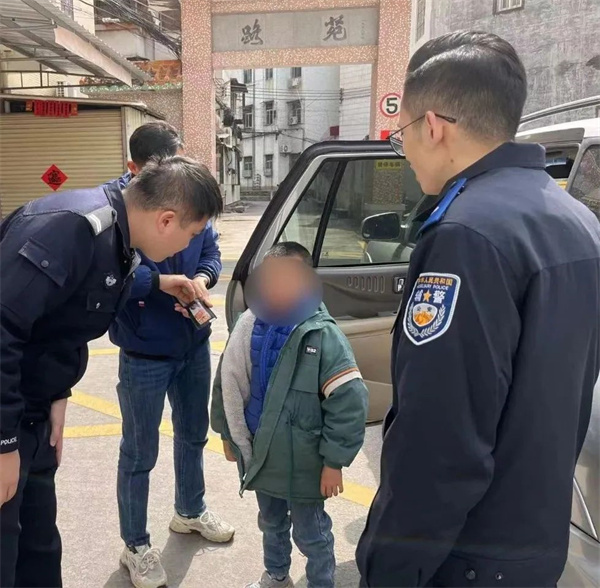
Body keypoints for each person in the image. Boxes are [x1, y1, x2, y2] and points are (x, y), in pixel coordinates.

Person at [356, 31, 600, 587]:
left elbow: (441, 438)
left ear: (433, 126)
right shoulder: (577, 219)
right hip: (536, 542)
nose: (405, 152)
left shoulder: (465, 234)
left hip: (467, 555)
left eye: (401, 135)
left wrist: (388, 566)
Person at [0, 155, 223, 588]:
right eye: (192, 234)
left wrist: (58, 396)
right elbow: (4, 328)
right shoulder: (71, 229)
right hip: (9, 419)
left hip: (34, 412)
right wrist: (4, 442)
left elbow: (59, 323)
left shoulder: (119, 241)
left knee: (38, 547)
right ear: (166, 220)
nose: (188, 247)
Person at [107, 122, 234, 588]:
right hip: (144, 351)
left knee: (193, 434)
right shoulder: (118, 212)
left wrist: (202, 279)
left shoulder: (191, 196)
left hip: (192, 343)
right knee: (139, 452)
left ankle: (190, 510)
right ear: (135, 169)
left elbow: (212, 251)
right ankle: (136, 545)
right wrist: (162, 283)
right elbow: (112, 275)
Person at [211, 242, 368, 588]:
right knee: (271, 523)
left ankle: (320, 582)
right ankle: (276, 574)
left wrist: (334, 462)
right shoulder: (249, 325)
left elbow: (349, 402)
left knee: (311, 533)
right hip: (263, 454)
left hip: (304, 462)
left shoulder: (322, 335)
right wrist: (227, 433)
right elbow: (227, 381)